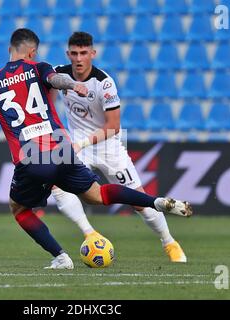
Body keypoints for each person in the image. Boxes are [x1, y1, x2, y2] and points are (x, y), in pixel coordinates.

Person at [0, 28, 192, 270]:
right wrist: (74, 86)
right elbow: (57, 79)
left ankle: (62, 257)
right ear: (32, 53)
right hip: (63, 148)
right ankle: (154, 201)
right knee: (97, 194)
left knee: (18, 208)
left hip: (32, 157)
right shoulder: (39, 68)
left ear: (11, 49)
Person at [50, 32, 188, 262]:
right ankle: (90, 233)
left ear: (93, 54)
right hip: (77, 147)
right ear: (68, 54)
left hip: (107, 146)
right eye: (74, 53)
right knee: (58, 185)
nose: (79, 58)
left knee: (138, 200)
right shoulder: (60, 75)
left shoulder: (104, 83)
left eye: (84, 53)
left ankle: (169, 242)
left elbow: (113, 126)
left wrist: (81, 142)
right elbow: (44, 88)